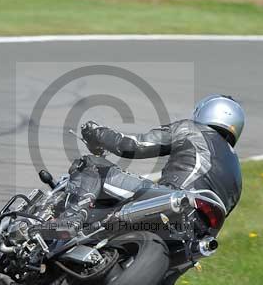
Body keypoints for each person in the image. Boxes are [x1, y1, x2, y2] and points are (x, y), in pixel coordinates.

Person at [60, 94, 244, 228]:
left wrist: (97, 133)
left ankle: (69, 219)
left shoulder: (192, 129)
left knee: (92, 165)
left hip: (172, 200)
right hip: (198, 231)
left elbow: (132, 146)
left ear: (205, 112)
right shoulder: (237, 174)